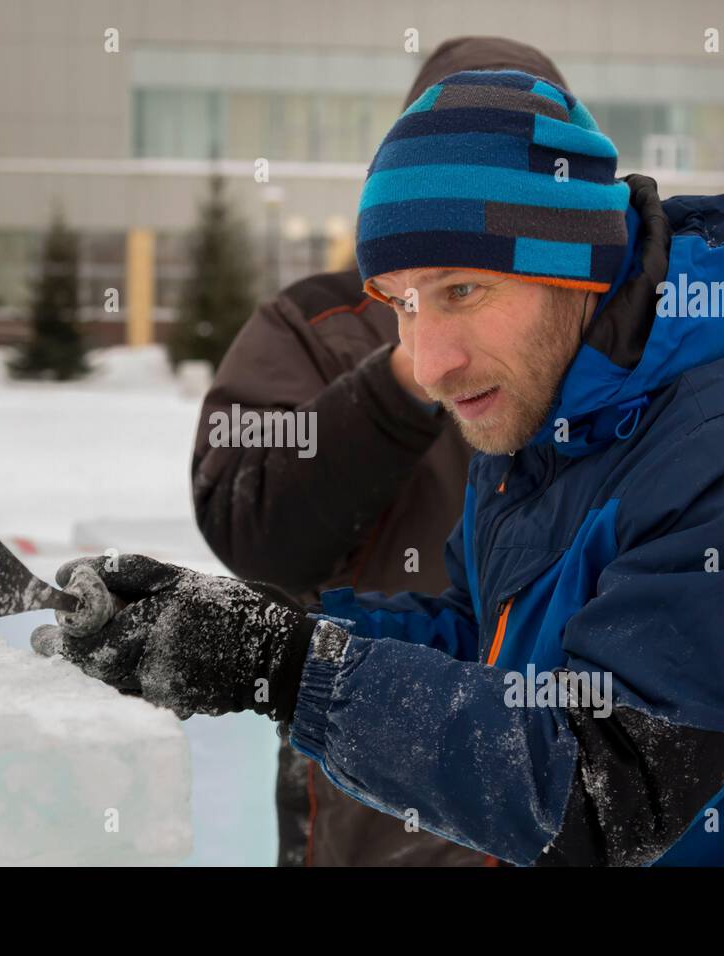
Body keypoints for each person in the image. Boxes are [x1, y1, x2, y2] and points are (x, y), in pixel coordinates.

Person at [37, 68, 724, 865]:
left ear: (578, 270)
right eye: (405, 305)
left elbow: (597, 790)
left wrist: (287, 665)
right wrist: (255, 628)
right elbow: (485, 642)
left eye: (462, 290)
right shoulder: (551, 415)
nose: (428, 363)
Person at [190, 36, 569, 867]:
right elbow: (250, 525)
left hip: (579, 800)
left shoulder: (595, 332)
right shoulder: (313, 322)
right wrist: (403, 377)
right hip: (375, 808)